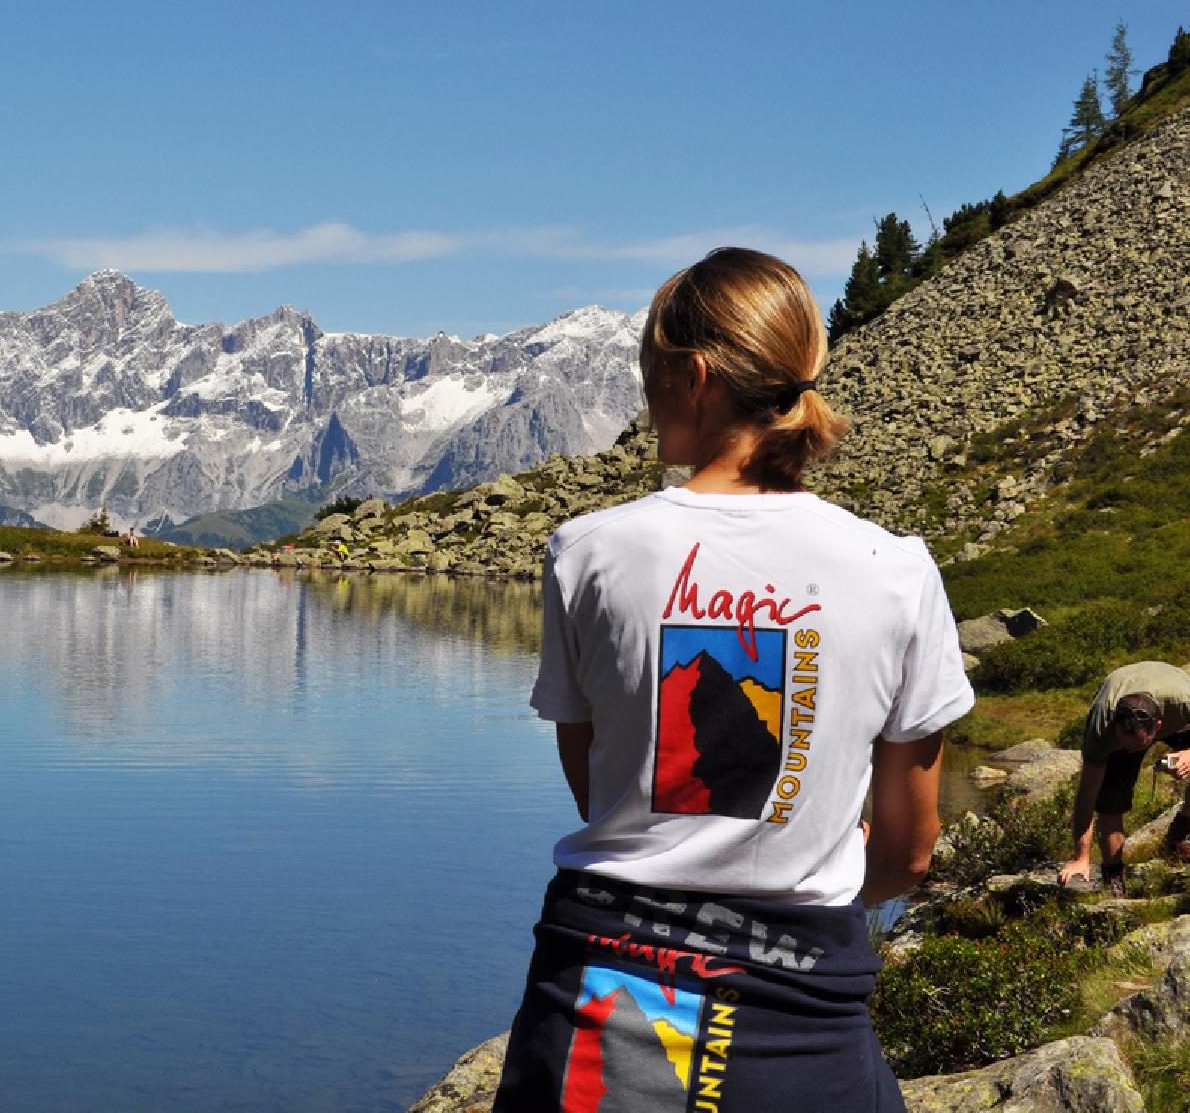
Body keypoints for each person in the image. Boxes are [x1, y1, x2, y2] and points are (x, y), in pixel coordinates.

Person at [492, 248, 973, 1113]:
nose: (644, 397)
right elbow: (909, 853)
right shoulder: (897, 571)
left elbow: (600, 792)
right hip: (802, 1012)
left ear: (695, 377)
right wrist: (807, 868)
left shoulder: (587, 553)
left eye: (649, 372)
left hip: (605, 1001)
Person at [1057, 662, 1190, 897]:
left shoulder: (1183, 701)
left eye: (1138, 745)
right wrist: (1081, 857)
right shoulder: (1102, 728)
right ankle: (1114, 877)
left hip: (1178, 711)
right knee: (1110, 802)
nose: (1130, 751)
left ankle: (1182, 832)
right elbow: (1087, 796)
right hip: (1119, 708)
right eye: (1124, 743)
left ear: (1158, 727)